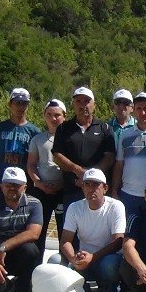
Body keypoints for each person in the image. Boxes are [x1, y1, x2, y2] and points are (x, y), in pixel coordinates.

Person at [52, 86, 115, 233]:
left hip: (98, 191)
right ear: (73, 104)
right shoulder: (63, 129)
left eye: (87, 101)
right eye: (78, 101)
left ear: (94, 104)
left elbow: (110, 156)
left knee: (98, 231)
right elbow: (57, 155)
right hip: (72, 188)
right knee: (71, 232)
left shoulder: (105, 128)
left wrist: (90, 178)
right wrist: (78, 171)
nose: (83, 104)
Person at [58, 168, 126, 292]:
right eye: (87, 184)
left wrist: (93, 257)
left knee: (110, 265)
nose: (90, 189)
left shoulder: (116, 206)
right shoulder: (74, 207)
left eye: (95, 185)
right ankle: (81, 290)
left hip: (106, 258)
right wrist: (73, 258)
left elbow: (118, 242)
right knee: (55, 260)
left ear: (105, 188)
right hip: (83, 260)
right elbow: (65, 240)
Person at [26, 98, 66, 263]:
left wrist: (62, 183)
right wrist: (38, 183)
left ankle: (65, 266)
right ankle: (35, 268)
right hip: (41, 192)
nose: (53, 118)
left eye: (57, 115)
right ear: (44, 116)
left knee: (65, 231)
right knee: (38, 232)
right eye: (49, 114)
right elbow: (31, 164)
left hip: (63, 191)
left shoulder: (70, 138)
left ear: (64, 116)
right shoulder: (37, 139)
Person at [0, 87, 41, 201]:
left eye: (24, 103)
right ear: (10, 104)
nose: (21, 107)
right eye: (17, 103)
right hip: (0, 181)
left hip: (23, 183)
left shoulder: (34, 132)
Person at [112, 92, 146, 220]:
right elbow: (119, 164)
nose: (142, 113)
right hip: (128, 194)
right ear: (134, 111)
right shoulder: (125, 135)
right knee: (127, 235)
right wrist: (115, 190)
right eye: (139, 108)